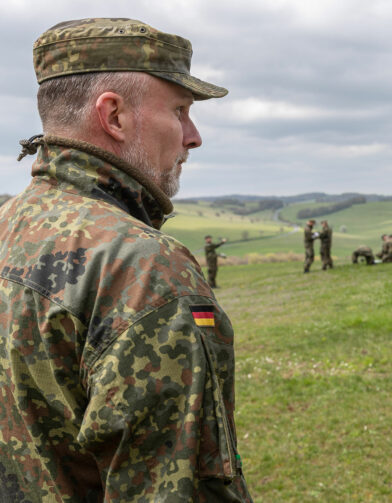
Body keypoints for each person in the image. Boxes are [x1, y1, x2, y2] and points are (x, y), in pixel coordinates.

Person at [0, 18, 252, 502]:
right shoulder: (145, 268)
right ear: (114, 116)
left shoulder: (11, 223)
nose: (193, 136)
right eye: (180, 110)